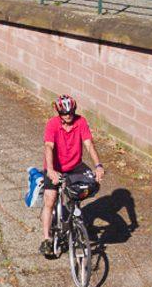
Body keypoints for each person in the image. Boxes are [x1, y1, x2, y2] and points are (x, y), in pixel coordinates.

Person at [39, 94, 105, 257]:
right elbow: (48, 147)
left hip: (75, 166)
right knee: (50, 198)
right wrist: (51, 170)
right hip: (56, 167)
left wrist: (98, 165)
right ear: (59, 113)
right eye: (64, 113)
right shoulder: (52, 124)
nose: (68, 116)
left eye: (71, 112)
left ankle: (76, 220)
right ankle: (47, 238)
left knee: (84, 189)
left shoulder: (81, 122)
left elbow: (89, 144)